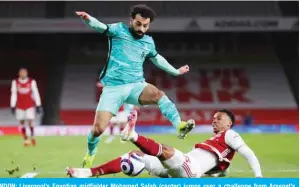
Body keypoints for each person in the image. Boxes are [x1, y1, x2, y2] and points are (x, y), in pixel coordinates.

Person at [76, 4, 195, 168]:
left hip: (136, 85)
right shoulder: (118, 30)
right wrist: (88, 19)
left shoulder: (148, 42)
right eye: (138, 24)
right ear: (131, 20)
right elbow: (101, 27)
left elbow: (157, 59)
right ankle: (90, 153)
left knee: (158, 94)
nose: (141, 28)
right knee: (98, 129)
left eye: (145, 25)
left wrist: (175, 71)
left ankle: (179, 125)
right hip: (113, 88)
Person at [67, 109, 262, 178]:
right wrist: (218, 172)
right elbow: (219, 168)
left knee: (168, 151)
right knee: (135, 158)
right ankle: (87, 173)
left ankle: (133, 135)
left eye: (218, 118)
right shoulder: (216, 141)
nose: (214, 121)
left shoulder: (230, 134)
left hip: (189, 171)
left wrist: (259, 178)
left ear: (228, 123)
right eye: (213, 118)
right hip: (179, 171)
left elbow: (249, 154)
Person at [11, 68, 42, 146]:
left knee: (30, 121)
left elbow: (35, 93)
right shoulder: (15, 82)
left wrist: (38, 104)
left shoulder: (32, 82)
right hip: (20, 106)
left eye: (24, 73)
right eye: (21, 73)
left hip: (29, 105)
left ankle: (32, 137)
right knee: (21, 122)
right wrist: (12, 105)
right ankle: (25, 139)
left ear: (27, 73)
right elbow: (14, 94)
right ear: (19, 74)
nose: (23, 74)